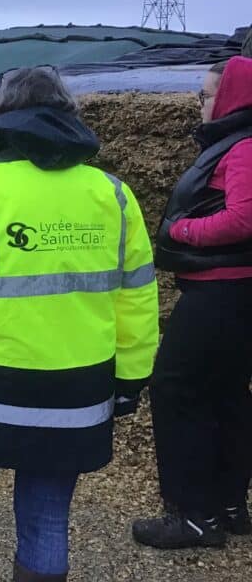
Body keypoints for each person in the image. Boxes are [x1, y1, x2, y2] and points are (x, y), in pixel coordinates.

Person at [0, 67, 159, 582]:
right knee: (45, 519)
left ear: (1, 114)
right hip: (74, 393)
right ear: (69, 116)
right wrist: (130, 378)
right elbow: (137, 298)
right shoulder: (114, 195)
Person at [133, 56, 252, 549]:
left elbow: (244, 219)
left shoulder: (243, 147)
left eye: (205, 96)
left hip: (221, 291)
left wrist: (183, 231)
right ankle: (227, 505)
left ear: (231, 98)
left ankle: (192, 514)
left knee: (175, 389)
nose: (198, 104)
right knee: (225, 392)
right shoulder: (238, 143)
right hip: (234, 293)